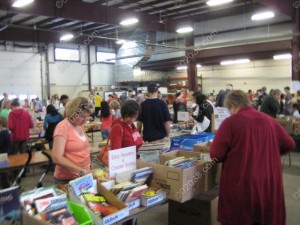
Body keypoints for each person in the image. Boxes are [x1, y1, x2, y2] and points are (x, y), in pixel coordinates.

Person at [210, 90, 295, 225]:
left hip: (242, 183)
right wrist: (269, 153)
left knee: (241, 217)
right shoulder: (269, 120)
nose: (230, 112)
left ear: (232, 105)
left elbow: (216, 155)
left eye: (229, 109)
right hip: (269, 181)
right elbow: (290, 143)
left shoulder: (230, 123)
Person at [52, 97, 93, 184]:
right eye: (82, 116)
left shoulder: (79, 125)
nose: (85, 120)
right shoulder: (62, 128)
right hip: (68, 178)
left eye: (87, 117)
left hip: (83, 175)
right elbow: (57, 157)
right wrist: (81, 170)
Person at [0, 117, 11, 188]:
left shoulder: (2, 133)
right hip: (6, 152)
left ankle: (6, 185)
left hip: (3, 154)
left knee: (3, 171)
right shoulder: (6, 132)